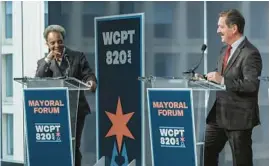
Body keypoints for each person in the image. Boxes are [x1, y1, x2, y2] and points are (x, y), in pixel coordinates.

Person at [204, 9, 262, 166]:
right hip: (218, 114)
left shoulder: (250, 53)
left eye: (221, 27)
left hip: (238, 117)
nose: (218, 31)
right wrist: (205, 79)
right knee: (207, 152)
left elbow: (251, 85)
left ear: (234, 28)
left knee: (241, 161)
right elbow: (222, 79)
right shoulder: (224, 50)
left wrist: (222, 80)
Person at [35, 24, 97, 166]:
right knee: (57, 146)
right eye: (53, 43)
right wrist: (48, 59)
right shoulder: (43, 63)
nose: (57, 45)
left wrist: (91, 82)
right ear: (47, 44)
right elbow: (38, 80)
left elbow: (88, 75)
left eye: (60, 41)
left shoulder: (77, 56)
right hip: (53, 111)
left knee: (72, 145)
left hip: (76, 110)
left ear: (63, 40)